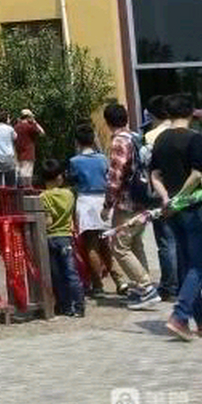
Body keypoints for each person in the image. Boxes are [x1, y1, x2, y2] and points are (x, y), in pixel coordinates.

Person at [150, 94, 202, 341]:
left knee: (187, 264)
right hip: (194, 209)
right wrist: (181, 197)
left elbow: (154, 175)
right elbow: (197, 175)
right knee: (199, 265)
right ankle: (180, 316)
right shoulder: (196, 139)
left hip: (172, 212)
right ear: (191, 112)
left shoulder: (159, 140)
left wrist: (166, 199)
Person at [101, 101, 160, 309]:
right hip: (142, 199)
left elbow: (116, 175)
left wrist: (107, 204)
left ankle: (145, 287)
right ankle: (141, 288)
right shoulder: (136, 137)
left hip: (126, 201)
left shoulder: (119, 141)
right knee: (136, 244)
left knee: (119, 246)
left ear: (107, 122)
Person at [67, 122, 114, 296]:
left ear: (77, 141)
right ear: (93, 139)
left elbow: (72, 180)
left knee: (91, 245)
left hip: (86, 201)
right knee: (106, 242)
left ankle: (98, 285)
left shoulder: (74, 161)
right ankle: (119, 280)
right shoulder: (102, 158)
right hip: (103, 200)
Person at [40, 158, 85, 316]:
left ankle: (64, 306)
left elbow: (48, 220)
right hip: (66, 237)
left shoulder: (44, 197)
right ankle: (79, 305)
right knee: (71, 273)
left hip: (50, 238)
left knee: (56, 275)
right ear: (59, 177)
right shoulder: (69, 194)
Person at [146, 96, 179, 301]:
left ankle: (169, 286)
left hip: (161, 194)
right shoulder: (186, 134)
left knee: (166, 242)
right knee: (181, 240)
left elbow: (150, 169)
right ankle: (184, 282)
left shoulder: (151, 137)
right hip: (184, 193)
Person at [13, 109, 45, 186]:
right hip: (28, 152)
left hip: (18, 152)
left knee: (19, 171)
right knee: (27, 172)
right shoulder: (30, 127)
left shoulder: (16, 127)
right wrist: (35, 122)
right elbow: (42, 132)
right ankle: (26, 189)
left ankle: (19, 187)